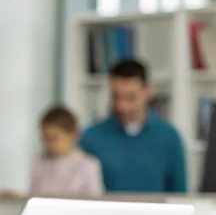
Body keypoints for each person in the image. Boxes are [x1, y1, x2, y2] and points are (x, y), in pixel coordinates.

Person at [80, 59, 187, 193]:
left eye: (130, 98)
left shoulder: (169, 138)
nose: (122, 106)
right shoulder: (91, 137)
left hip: (154, 213)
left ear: (148, 91)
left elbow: (180, 196)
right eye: (116, 97)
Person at [29, 106, 103, 197]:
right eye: (45, 138)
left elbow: (94, 202)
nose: (48, 144)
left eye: (53, 138)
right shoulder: (39, 160)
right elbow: (33, 197)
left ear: (73, 135)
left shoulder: (88, 165)